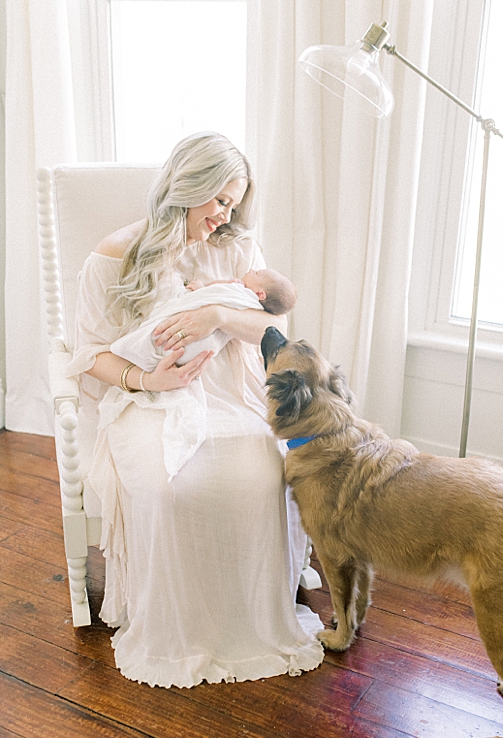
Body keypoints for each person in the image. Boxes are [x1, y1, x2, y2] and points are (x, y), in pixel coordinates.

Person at [64, 131, 324, 687]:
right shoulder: (112, 256)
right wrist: (147, 378)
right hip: (145, 396)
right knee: (167, 486)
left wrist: (218, 318)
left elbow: (273, 324)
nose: (225, 213)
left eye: (234, 203)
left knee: (257, 477)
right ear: (190, 185)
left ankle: (247, 616)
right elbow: (90, 354)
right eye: (220, 199)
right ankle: (180, 627)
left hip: (229, 389)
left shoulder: (235, 248)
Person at [111, 267, 298, 373]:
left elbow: (277, 328)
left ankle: (143, 348)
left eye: (257, 273)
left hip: (209, 357)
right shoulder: (247, 291)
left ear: (259, 294)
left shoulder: (241, 291)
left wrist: (217, 314)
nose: (252, 269)